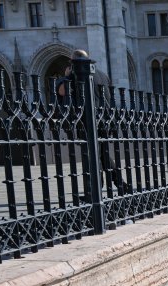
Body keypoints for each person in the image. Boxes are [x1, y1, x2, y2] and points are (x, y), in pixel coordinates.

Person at [55, 49, 127, 196]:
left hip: (89, 120)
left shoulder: (77, 74)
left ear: (73, 62)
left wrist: (66, 76)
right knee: (103, 155)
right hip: (105, 119)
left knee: (93, 155)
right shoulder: (102, 74)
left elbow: (62, 91)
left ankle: (95, 192)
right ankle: (120, 184)